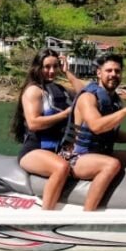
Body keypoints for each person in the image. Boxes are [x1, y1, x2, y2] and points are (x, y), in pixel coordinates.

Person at [67, 53, 126, 211]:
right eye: (109, 70)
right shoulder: (88, 98)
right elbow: (97, 126)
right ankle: (86, 216)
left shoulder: (114, 100)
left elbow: (110, 132)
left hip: (101, 152)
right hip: (77, 157)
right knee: (111, 165)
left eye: (117, 71)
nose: (113, 75)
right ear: (99, 73)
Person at [10, 48, 89, 210]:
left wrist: (68, 72)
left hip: (58, 150)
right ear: (37, 67)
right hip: (34, 149)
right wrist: (66, 114)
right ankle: (45, 216)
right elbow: (33, 123)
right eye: (47, 67)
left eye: (55, 66)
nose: (51, 71)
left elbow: (85, 94)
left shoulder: (59, 90)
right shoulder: (33, 91)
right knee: (61, 167)